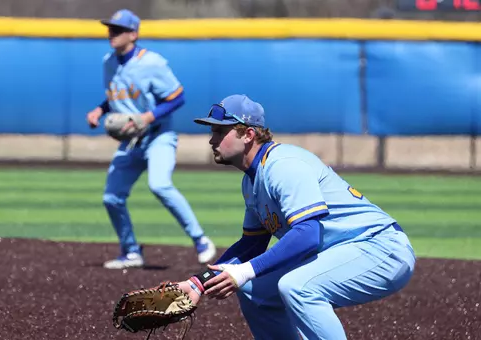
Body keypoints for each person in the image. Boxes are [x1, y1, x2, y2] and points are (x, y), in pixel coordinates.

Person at [176, 94, 416, 339]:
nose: (211, 140)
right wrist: (198, 282)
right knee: (252, 290)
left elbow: (308, 234)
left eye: (220, 131)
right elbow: (251, 245)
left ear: (248, 135)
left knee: (298, 287)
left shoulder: (283, 166)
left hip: (381, 249)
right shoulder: (252, 180)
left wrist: (245, 270)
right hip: (344, 251)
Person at [85, 9, 216, 269]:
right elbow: (117, 97)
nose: (111, 33)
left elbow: (177, 97)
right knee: (111, 197)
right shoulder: (108, 62)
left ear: (133, 34)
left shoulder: (152, 63)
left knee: (160, 185)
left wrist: (148, 116)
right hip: (131, 142)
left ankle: (201, 240)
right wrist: (101, 109)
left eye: (118, 29)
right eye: (110, 28)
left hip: (158, 136)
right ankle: (131, 251)